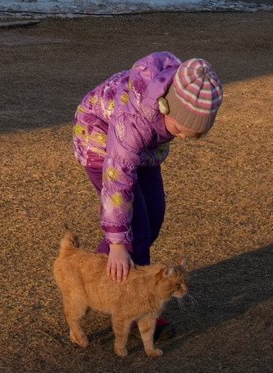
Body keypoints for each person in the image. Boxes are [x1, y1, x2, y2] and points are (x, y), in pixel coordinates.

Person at [71, 52, 223, 280]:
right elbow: (117, 184)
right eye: (179, 130)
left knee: (153, 216)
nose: (181, 138)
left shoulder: (176, 99)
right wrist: (118, 244)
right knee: (136, 231)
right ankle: (134, 304)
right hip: (102, 143)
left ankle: (101, 275)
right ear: (165, 107)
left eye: (191, 135)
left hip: (142, 151)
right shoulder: (133, 122)